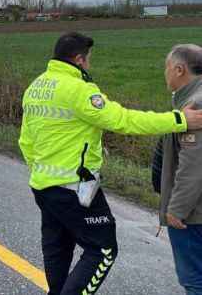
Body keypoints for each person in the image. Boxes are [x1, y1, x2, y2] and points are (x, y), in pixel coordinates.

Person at [18, 32, 202, 295]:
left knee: (57, 249)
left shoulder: (36, 87)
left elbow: (26, 140)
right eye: (89, 60)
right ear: (80, 60)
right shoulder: (80, 90)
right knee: (103, 250)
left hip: (43, 185)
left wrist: (41, 172)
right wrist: (179, 120)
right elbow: (124, 120)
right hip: (76, 188)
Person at [158, 44, 202, 294]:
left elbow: (194, 165)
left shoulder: (195, 106)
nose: (165, 73)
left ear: (179, 69)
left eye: (167, 68)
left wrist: (176, 209)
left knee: (195, 280)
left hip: (193, 215)